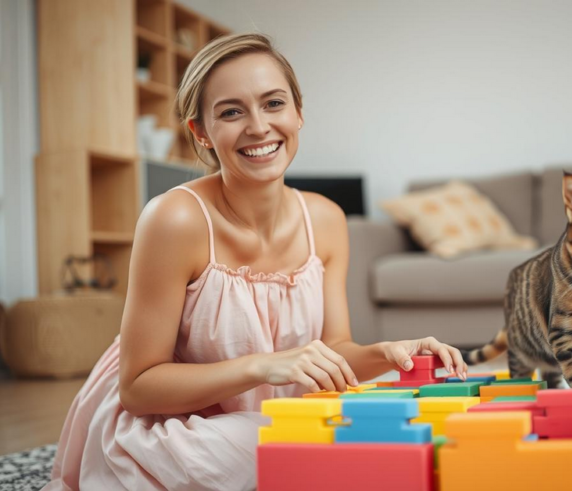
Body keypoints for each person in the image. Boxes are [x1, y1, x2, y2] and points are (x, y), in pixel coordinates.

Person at [45, 33, 467, 491]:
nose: (259, 127)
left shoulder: (325, 219)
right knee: (289, 449)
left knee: (346, 439)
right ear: (200, 132)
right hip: (169, 423)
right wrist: (263, 365)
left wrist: (388, 354)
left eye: (273, 103)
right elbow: (139, 387)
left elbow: (335, 349)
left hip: (267, 417)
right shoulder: (174, 219)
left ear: (298, 114)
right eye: (231, 111)